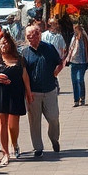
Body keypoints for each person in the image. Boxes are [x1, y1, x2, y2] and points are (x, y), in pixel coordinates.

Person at [0, 31, 31, 166]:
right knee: (2, 123)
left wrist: (29, 93)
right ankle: (5, 153)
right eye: (1, 43)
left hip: (16, 93)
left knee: (13, 125)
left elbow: (25, 77)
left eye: (6, 42)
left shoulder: (19, 59)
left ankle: (15, 143)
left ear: (11, 44)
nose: (4, 45)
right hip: (0, 93)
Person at [22, 22, 63, 158]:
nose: (32, 37)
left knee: (53, 117)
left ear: (39, 34)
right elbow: (24, 74)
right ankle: (38, 147)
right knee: (34, 121)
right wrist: (27, 92)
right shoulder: (25, 53)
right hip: (33, 92)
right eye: (29, 35)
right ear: (26, 37)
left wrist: (56, 72)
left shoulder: (49, 48)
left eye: (35, 34)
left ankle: (54, 138)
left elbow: (60, 62)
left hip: (50, 89)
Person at [65, 21, 88, 106]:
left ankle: (82, 98)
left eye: (76, 28)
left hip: (82, 61)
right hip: (74, 62)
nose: (74, 29)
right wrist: (67, 58)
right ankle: (76, 100)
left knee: (80, 79)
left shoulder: (84, 37)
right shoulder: (74, 37)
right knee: (74, 81)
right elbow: (71, 48)